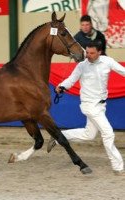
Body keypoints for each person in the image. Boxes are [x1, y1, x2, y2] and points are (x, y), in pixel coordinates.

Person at [47, 41, 125, 176]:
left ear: (99, 52)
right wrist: (61, 86)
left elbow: (123, 71)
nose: (88, 55)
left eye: (92, 53)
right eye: (87, 52)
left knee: (89, 135)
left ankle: (59, 136)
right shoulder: (82, 66)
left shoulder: (108, 61)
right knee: (108, 133)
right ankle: (118, 166)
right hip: (89, 105)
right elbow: (71, 80)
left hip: (101, 105)